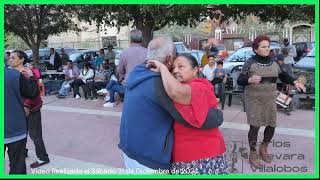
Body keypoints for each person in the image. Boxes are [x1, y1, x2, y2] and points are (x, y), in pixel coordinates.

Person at [119, 36, 224, 174]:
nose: (175, 68)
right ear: (169, 59)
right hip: (148, 158)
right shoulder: (161, 84)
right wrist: (217, 116)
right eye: (174, 59)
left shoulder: (138, 71)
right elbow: (188, 116)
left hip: (129, 148)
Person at [146, 53, 228, 174]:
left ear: (195, 70)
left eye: (181, 66)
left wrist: (163, 68)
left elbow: (176, 92)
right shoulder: (181, 85)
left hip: (204, 154)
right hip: (185, 153)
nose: (175, 70)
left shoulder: (200, 86)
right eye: (173, 68)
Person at [237, 35, 306, 169]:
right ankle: (252, 153)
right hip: (253, 98)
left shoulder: (274, 61)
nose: (267, 49)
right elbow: (240, 80)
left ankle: (264, 148)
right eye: (263, 47)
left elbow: (282, 75)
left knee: (271, 125)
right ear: (256, 49)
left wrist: (294, 81)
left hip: (269, 98)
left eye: (268, 46)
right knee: (255, 126)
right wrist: (249, 80)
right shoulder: (249, 62)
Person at [7, 50, 50, 169]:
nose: (10, 59)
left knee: (35, 134)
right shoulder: (12, 73)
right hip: (20, 109)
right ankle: (23, 153)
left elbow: (33, 92)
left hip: (32, 109)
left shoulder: (26, 73)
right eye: (10, 57)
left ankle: (43, 157)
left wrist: (26, 105)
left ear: (21, 60)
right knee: (21, 133)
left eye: (13, 58)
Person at [5, 65, 39, 174]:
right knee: (18, 168)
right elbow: (32, 93)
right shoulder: (15, 75)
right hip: (15, 128)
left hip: (15, 129)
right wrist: (31, 77)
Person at [103, 29, 147, 108]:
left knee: (112, 87)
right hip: (145, 85)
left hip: (129, 86)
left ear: (130, 40)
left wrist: (124, 74)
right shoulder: (148, 52)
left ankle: (111, 101)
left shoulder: (124, 53)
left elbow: (120, 70)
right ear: (142, 39)